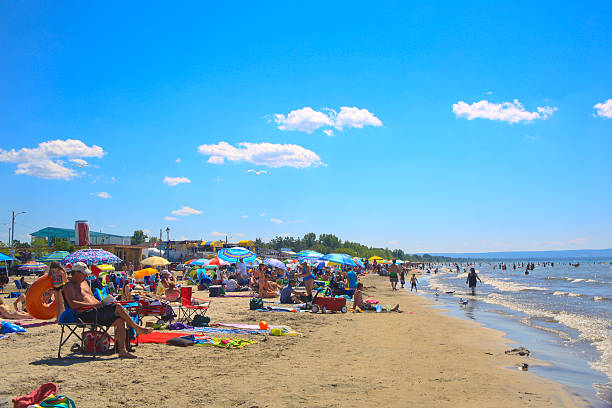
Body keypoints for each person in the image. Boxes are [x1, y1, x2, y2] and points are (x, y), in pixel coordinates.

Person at [63, 262, 152, 358]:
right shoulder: (69, 286)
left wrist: (102, 303)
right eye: (84, 273)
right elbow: (72, 304)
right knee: (117, 307)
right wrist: (94, 305)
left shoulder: (84, 283)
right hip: (86, 314)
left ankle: (122, 350)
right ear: (76, 273)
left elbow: (92, 298)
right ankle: (136, 328)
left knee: (120, 321)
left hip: (96, 311)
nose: (86, 275)